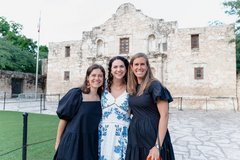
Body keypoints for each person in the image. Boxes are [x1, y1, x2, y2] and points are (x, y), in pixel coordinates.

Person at [125, 53, 175, 160]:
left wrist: (157, 146)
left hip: (153, 135)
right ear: (131, 67)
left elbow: (164, 116)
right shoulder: (133, 87)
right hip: (135, 136)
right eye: (136, 64)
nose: (139, 67)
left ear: (147, 66)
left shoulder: (155, 85)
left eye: (142, 64)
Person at [53, 64, 105, 160]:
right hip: (73, 142)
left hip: (91, 144)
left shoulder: (103, 98)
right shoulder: (76, 94)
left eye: (100, 76)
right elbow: (63, 119)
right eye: (93, 75)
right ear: (88, 77)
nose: (97, 78)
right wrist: (58, 142)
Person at [98, 56, 130, 160]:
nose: (118, 69)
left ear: (126, 69)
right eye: (115, 67)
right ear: (111, 70)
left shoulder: (132, 87)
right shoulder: (102, 86)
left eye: (121, 66)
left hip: (123, 134)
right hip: (103, 133)